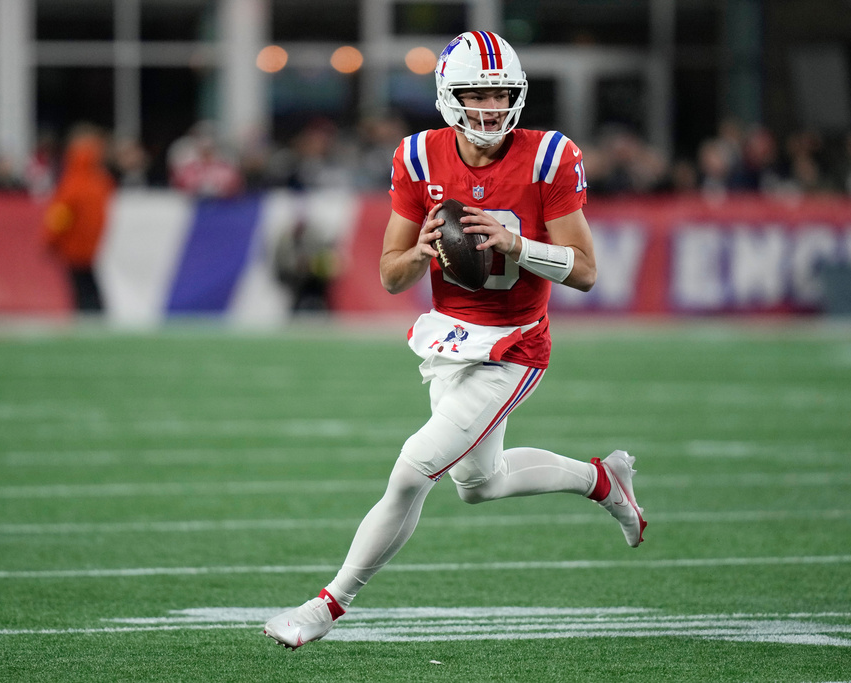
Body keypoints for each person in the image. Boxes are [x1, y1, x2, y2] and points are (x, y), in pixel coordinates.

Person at [263, 30, 646, 650]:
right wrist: (418, 254)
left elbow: (586, 270)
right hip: (450, 337)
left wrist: (519, 245)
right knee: (479, 483)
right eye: (476, 93)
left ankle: (326, 606)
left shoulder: (549, 157)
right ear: (448, 94)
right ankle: (603, 480)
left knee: (413, 470)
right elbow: (391, 275)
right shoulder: (418, 156)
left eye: (501, 95)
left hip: (514, 342)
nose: (491, 109)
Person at [41, 125, 115, 312]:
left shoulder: (73, 182)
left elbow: (60, 216)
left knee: (82, 291)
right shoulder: (102, 181)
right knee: (91, 288)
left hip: (74, 248)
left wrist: (50, 240)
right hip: (97, 247)